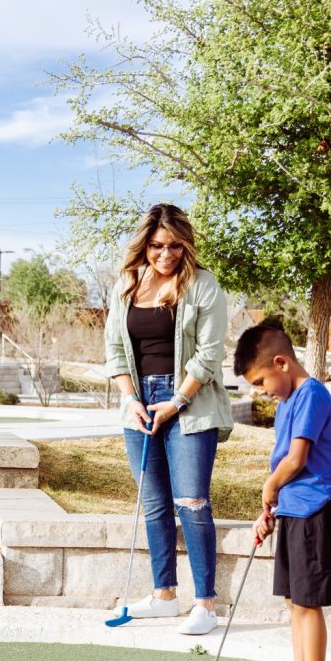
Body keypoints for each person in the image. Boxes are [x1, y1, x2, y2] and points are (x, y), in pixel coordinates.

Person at [104, 203, 233, 635]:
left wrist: (176, 400)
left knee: (192, 501)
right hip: (138, 403)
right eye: (157, 246)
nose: (166, 255)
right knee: (155, 503)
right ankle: (164, 595)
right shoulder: (125, 285)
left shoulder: (203, 285)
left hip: (189, 404)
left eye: (175, 246)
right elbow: (115, 352)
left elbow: (210, 354)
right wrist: (131, 399)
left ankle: (205, 605)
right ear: (144, 246)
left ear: (186, 244)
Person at [233, 318, 331, 661]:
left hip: (317, 510)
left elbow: (296, 460)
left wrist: (270, 487)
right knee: (294, 601)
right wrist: (271, 508)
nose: (262, 392)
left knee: (308, 603)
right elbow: (285, 463)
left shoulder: (312, 395)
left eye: (261, 381)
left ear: (281, 362)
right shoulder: (287, 404)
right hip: (295, 510)